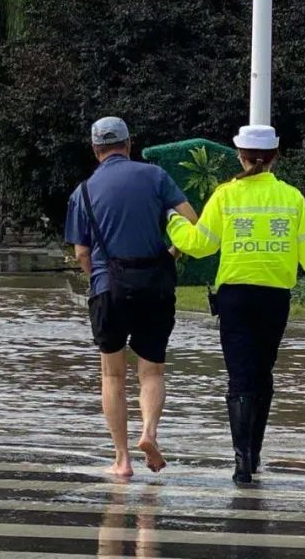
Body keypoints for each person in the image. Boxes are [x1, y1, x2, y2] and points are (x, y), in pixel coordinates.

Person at [166, 124, 305, 484]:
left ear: (240, 156)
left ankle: (242, 461)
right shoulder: (291, 199)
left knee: (240, 378)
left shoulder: (226, 195)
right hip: (274, 301)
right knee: (262, 375)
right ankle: (254, 453)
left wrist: (172, 224)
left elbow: (200, 245)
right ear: (275, 157)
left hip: (235, 300)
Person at [65, 117, 198, 479]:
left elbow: (81, 252)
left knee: (112, 376)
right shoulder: (155, 176)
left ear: (95, 150)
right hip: (155, 285)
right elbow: (191, 220)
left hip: (109, 288)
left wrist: (99, 280)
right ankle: (149, 433)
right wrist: (170, 254)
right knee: (151, 370)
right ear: (129, 143)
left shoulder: (84, 191)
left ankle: (122, 460)